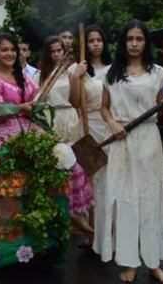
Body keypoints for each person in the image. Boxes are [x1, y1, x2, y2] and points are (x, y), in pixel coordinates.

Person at [0, 33, 94, 239]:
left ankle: (69, 213)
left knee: (69, 158)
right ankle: (63, 218)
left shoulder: (22, 76)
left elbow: (38, 97)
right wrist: (20, 108)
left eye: (12, 49)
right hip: (6, 136)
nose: (10, 54)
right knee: (42, 169)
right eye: (4, 50)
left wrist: (64, 81)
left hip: (31, 130)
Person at [97, 20, 163, 284]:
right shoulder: (110, 73)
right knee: (126, 201)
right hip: (122, 141)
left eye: (139, 39)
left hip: (149, 141)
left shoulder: (159, 73)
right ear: (123, 42)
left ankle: (153, 263)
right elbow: (104, 108)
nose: (134, 44)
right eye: (129, 38)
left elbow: (162, 107)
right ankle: (130, 262)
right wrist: (113, 123)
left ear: (146, 42)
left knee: (151, 200)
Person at [67, 24, 112, 246]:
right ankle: (92, 232)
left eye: (99, 40)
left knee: (107, 180)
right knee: (90, 181)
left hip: (108, 127)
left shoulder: (114, 70)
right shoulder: (77, 69)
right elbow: (74, 102)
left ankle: (108, 232)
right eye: (91, 41)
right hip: (86, 127)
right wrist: (77, 77)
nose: (95, 44)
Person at [35, 36, 79, 143]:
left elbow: (76, 101)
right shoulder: (40, 76)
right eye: (52, 51)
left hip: (70, 115)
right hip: (51, 116)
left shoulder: (70, 73)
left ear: (64, 51)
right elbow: (37, 102)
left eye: (59, 50)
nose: (56, 54)